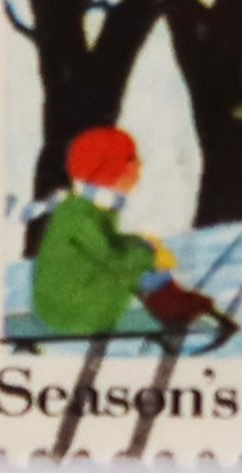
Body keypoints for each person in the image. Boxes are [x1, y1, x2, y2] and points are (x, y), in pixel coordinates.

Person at [28, 125, 177, 341]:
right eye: (131, 160)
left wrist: (142, 243)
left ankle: (174, 305)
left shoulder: (94, 206)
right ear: (110, 169)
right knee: (135, 272)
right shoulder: (79, 214)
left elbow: (106, 243)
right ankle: (175, 309)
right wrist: (152, 256)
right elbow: (111, 258)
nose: (139, 165)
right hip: (69, 311)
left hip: (77, 293)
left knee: (139, 265)